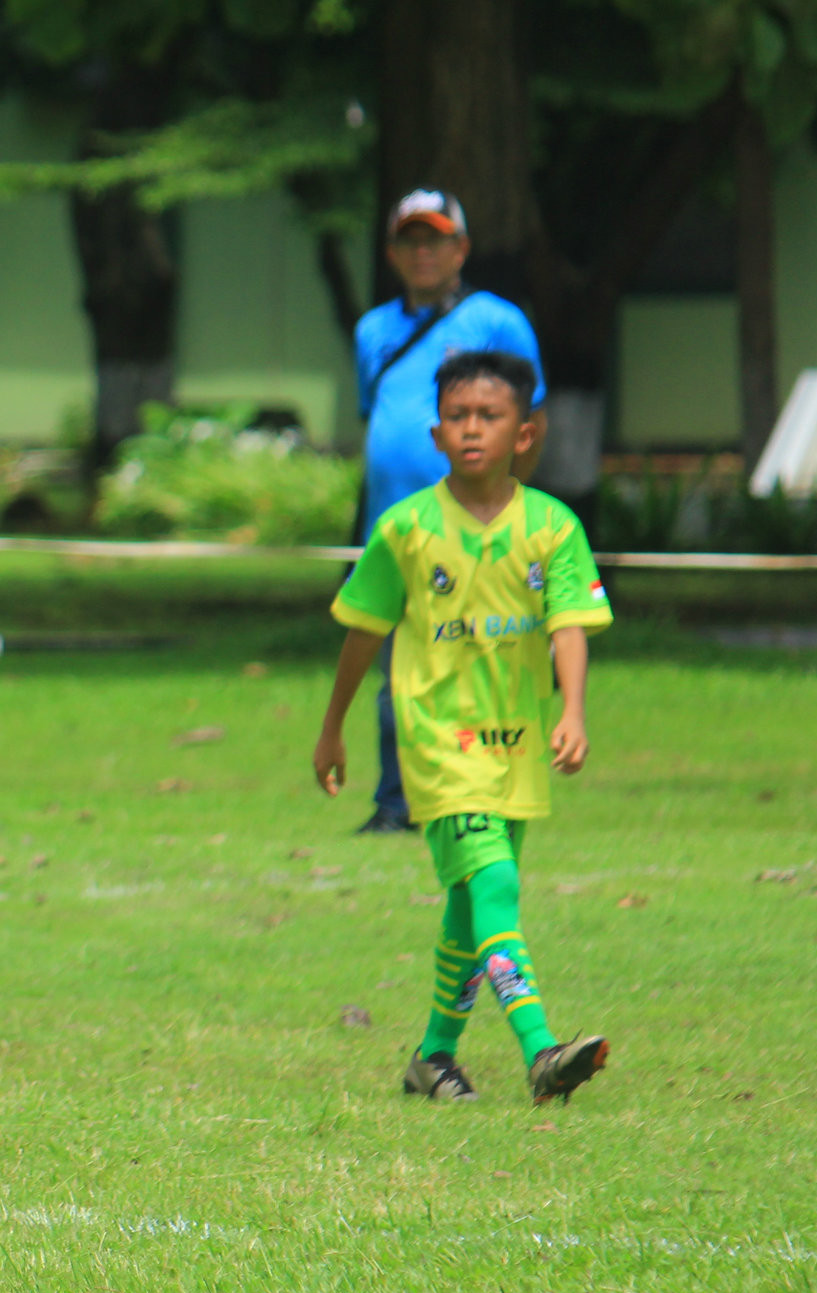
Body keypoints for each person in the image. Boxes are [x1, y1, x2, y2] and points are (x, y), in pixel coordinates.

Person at [314, 349, 610, 1105]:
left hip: (515, 742)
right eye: (456, 416)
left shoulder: (552, 527)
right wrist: (333, 727)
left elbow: (568, 625)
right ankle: (541, 1050)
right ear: (435, 433)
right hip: (437, 742)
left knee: (466, 906)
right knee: (496, 881)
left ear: (525, 433)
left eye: (489, 415)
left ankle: (433, 1056)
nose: (471, 428)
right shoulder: (405, 528)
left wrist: (571, 709)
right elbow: (361, 631)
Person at [351, 188, 548, 834]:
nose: (422, 252)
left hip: (471, 528)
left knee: (473, 661)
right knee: (400, 670)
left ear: (460, 248)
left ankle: (475, 794)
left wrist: (504, 504)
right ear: (391, 252)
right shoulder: (373, 330)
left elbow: (531, 418)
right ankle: (395, 800)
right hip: (396, 528)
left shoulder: (496, 321)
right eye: (409, 240)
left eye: (434, 239)